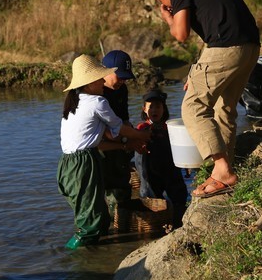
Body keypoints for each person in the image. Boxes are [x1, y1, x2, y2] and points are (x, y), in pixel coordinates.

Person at [151, 0, 260, 198]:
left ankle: (222, 171)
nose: (169, 4)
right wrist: (194, 73)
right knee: (224, 108)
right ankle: (227, 168)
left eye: (164, 1)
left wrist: (168, 18)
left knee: (192, 108)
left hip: (226, 47)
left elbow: (181, 34)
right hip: (250, 48)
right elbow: (213, 37)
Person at [57, 54, 150, 249]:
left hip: (68, 165)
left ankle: (98, 255)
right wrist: (141, 137)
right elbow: (120, 129)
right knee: (91, 223)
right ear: (89, 83)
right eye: (100, 78)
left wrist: (126, 145)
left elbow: (96, 142)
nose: (102, 81)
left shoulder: (74, 101)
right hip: (84, 164)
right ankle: (74, 258)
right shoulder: (97, 102)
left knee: (93, 215)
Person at [136, 89, 188, 229]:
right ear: (144, 109)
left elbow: (180, 147)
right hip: (151, 172)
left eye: (158, 106)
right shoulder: (142, 128)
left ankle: (179, 223)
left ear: (164, 109)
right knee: (152, 198)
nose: (154, 110)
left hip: (170, 169)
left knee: (179, 196)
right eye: (151, 106)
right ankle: (159, 226)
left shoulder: (169, 127)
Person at [99, 50, 137, 205]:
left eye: (125, 77)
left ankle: (122, 222)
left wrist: (132, 137)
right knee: (103, 189)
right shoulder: (96, 91)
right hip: (101, 146)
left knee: (122, 187)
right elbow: (105, 131)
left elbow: (124, 119)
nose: (122, 80)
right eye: (119, 76)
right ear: (106, 71)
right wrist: (128, 140)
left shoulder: (122, 89)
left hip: (119, 141)